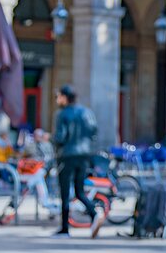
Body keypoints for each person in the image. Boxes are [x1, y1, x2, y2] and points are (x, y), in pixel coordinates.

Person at [52, 84, 105, 238]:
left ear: (64, 97)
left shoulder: (62, 114)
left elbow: (60, 138)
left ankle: (64, 228)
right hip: (84, 155)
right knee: (79, 191)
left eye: (58, 96)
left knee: (64, 192)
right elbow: (94, 133)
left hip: (67, 156)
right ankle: (94, 213)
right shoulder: (87, 112)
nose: (57, 99)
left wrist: (48, 137)